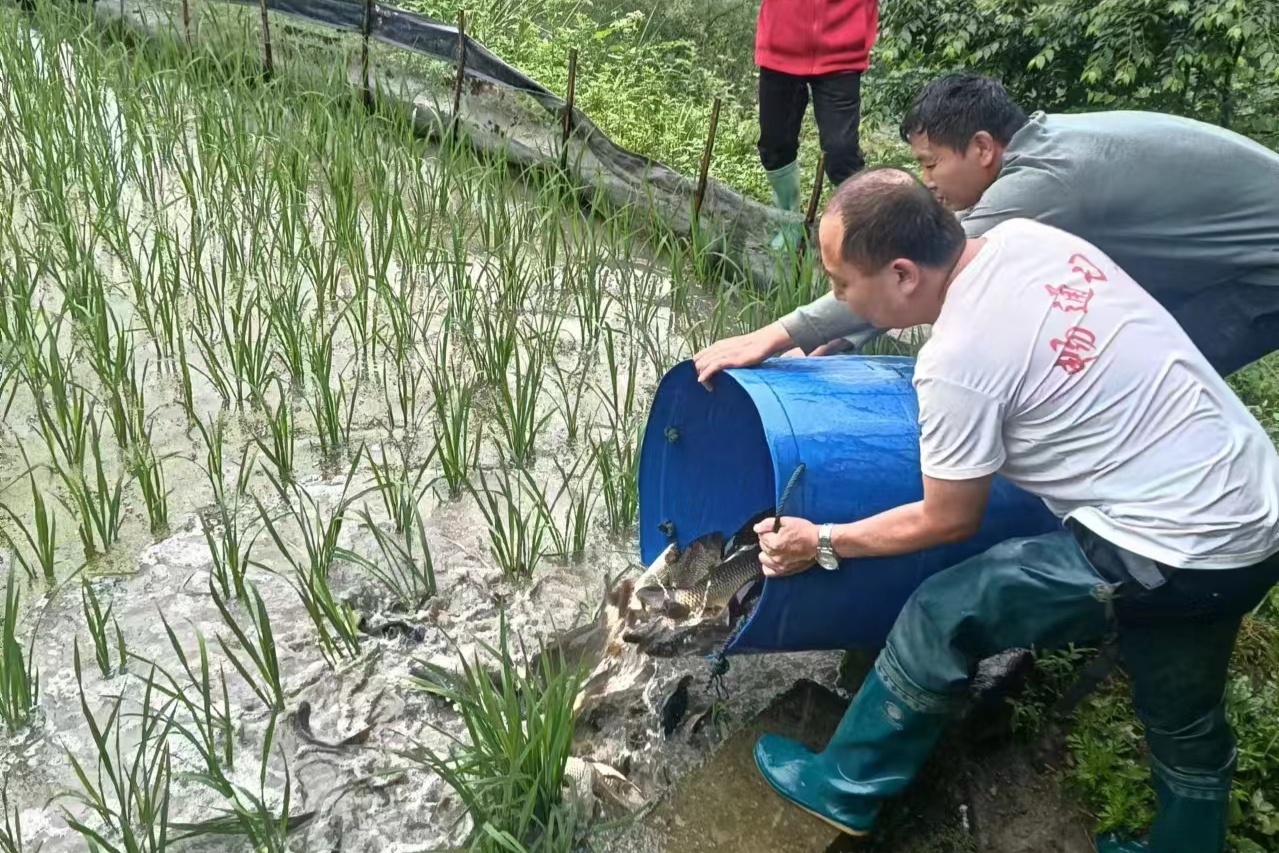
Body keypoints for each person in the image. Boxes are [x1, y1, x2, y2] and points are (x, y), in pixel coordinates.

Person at [738, 167, 1279, 853]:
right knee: (1182, 705)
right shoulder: (1028, 242)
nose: (838, 299)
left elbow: (947, 518)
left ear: (903, 274)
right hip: (1251, 507)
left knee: (945, 610)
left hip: (1163, 541)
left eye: (842, 284)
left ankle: (843, 785)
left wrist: (821, 540)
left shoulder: (958, 356)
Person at [698, 72, 1279, 380]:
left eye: (930, 164)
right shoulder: (1039, 152)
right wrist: (843, 340)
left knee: (1152, 376)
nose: (928, 183)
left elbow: (926, 265)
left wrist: (772, 337)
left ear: (981, 147)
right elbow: (920, 266)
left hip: (1263, 272)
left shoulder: (1045, 183)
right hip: (1219, 257)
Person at [754, 0, 878, 251]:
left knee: (842, 154)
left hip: (843, 52)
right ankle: (788, 222)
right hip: (781, 46)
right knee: (774, 145)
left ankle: (858, 234)